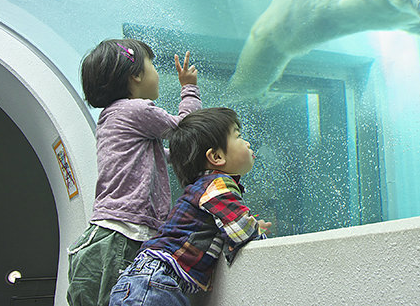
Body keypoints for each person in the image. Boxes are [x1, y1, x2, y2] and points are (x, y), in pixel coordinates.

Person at [67, 39, 202, 306]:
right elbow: (186, 131)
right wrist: (189, 89)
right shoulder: (136, 109)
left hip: (112, 232)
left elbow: (153, 158)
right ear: (136, 75)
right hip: (123, 233)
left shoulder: (113, 115)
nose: (156, 72)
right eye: (151, 64)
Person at [109, 107, 271, 306]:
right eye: (238, 136)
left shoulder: (201, 188)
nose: (246, 143)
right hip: (154, 283)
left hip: (143, 280)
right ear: (217, 157)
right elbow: (242, 232)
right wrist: (257, 232)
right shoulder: (218, 184)